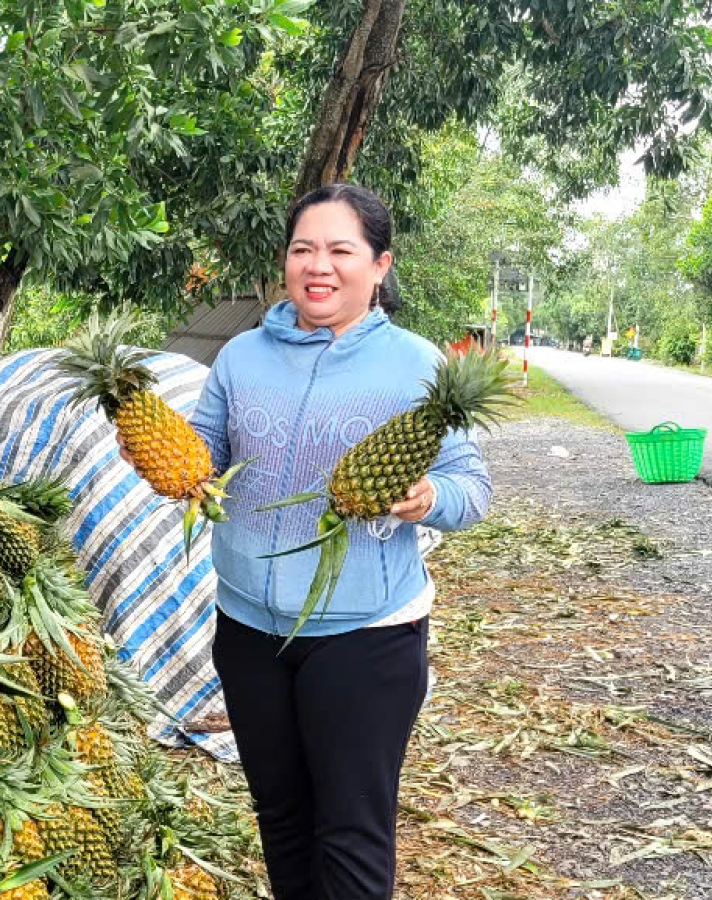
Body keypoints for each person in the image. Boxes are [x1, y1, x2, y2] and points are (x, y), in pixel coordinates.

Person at [183, 183, 490, 899]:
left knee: (350, 833)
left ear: (380, 266)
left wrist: (427, 498)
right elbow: (204, 450)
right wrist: (164, 453)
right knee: (281, 818)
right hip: (249, 628)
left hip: (367, 636)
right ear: (285, 261)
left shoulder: (419, 368)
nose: (318, 266)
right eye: (302, 249)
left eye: (340, 251)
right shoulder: (240, 356)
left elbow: (471, 489)